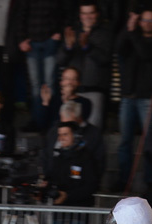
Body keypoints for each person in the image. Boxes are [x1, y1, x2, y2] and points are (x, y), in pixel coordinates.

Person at [115, 8, 152, 192]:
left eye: (151, 21)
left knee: (149, 140)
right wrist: (128, 29)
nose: (147, 24)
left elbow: (145, 53)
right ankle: (123, 179)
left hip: (146, 98)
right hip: (128, 96)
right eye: (144, 20)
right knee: (124, 141)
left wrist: (132, 32)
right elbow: (118, 48)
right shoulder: (131, 36)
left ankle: (150, 180)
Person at [56, 0, 113, 129]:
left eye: (91, 13)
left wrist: (87, 47)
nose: (87, 17)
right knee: (70, 129)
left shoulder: (105, 33)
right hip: (73, 92)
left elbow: (105, 59)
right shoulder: (72, 32)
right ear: (80, 15)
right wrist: (68, 48)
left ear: (97, 14)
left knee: (93, 130)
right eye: (84, 13)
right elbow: (60, 60)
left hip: (95, 90)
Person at [15, 0, 65, 130]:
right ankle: (37, 121)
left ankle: (53, 122)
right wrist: (21, 39)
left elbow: (63, 11)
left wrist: (59, 33)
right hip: (31, 43)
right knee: (36, 85)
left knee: (50, 83)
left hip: (51, 41)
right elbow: (20, 15)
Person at [43, 121, 98, 207]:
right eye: (59, 135)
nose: (61, 138)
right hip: (58, 211)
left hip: (79, 211)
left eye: (65, 134)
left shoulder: (86, 157)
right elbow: (51, 179)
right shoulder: (58, 157)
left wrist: (68, 196)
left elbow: (91, 185)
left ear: (75, 136)